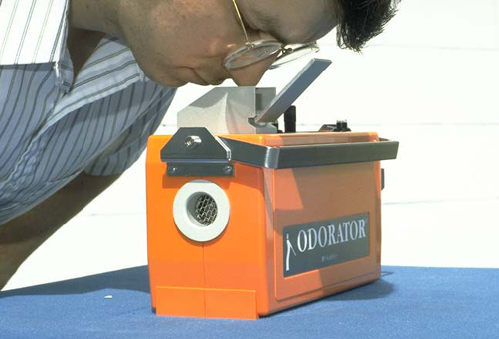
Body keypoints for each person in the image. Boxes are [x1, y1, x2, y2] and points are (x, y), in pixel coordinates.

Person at [0, 0, 399, 289]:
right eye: (254, 27)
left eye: (277, 50)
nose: (249, 77)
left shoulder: (151, 74)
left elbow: (13, 238)